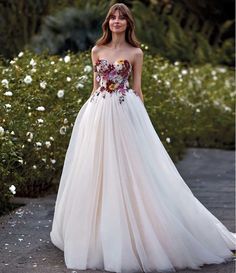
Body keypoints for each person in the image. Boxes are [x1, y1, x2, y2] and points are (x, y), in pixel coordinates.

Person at [50, 3, 236, 272]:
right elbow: (95, 87)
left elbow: (137, 89)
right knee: (95, 169)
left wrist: (142, 125)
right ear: (108, 23)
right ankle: (96, 234)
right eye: (112, 17)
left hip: (125, 111)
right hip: (98, 112)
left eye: (121, 18)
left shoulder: (135, 53)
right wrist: (88, 116)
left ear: (128, 24)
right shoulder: (96, 50)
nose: (116, 21)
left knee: (131, 169)